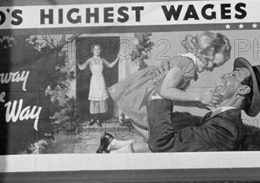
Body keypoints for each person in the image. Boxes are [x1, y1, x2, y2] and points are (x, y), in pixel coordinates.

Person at [98, 31, 231, 153]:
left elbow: (171, 95)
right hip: (151, 106)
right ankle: (111, 157)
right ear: (204, 55)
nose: (211, 69)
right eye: (212, 64)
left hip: (153, 103)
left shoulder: (186, 63)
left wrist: (195, 102)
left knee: (152, 143)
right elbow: (165, 91)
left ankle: (111, 144)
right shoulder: (187, 64)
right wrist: (199, 96)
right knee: (159, 146)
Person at [98, 57, 260, 153]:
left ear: (243, 88)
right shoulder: (215, 119)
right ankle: (114, 147)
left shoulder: (226, 130)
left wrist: (160, 92)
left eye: (234, 74)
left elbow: (162, 144)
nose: (224, 75)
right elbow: (167, 128)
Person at [78, 44, 119, 126]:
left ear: (100, 50)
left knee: (101, 99)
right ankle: (93, 118)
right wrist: (75, 61)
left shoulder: (102, 59)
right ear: (92, 50)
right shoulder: (90, 60)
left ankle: (98, 119)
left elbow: (110, 65)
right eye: (95, 49)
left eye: (98, 49)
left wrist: (117, 58)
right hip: (94, 81)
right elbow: (81, 67)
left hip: (100, 80)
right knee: (94, 100)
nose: (96, 51)